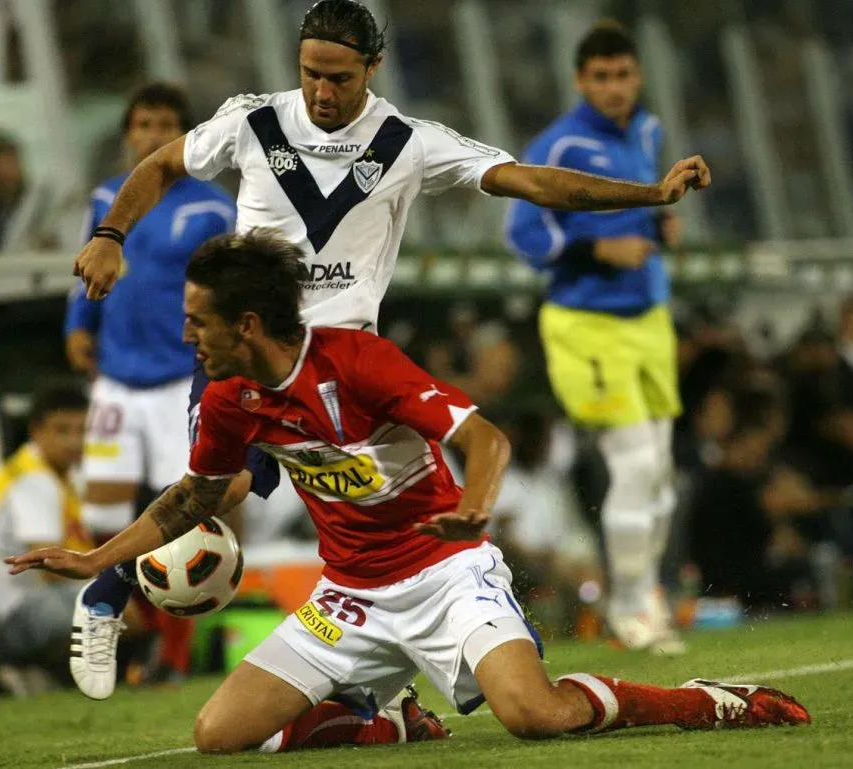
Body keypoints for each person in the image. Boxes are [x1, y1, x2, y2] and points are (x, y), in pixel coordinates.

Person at [66, 0, 711, 699]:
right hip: (253, 353)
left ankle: (393, 679)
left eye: (340, 77)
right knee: (228, 484)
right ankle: (104, 594)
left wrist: (649, 194)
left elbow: (530, 180)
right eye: (311, 73)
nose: (321, 91)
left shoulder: (407, 140)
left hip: (352, 370)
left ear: (372, 67)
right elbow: (161, 165)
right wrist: (110, 235)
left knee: (383, 518)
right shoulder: (252, 121)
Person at [8, 231, 809, 753]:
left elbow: (485, 440)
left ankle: (705, 701)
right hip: (349, 595)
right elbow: (193, 496)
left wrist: (476, 508)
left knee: (533, 714)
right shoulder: (228, 397)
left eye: (197, 322)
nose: (188, 336)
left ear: (247, 323)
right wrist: (97, 559)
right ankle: (385, 716)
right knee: (219, 734)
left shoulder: (358, 361)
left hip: (446, 572)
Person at [504, 21, 687, 654]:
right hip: (586, 323)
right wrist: (595, 246)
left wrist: (662, 229)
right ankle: (628, 606)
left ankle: (646, 598)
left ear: (638, 76)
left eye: (624, 74)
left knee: (659, 473)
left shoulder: (648, 129)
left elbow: (643, 208)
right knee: (634, 465)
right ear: (582, 80)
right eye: (601, 77)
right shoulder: (557, 146)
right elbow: (525, 234)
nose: (615, 87)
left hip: (649, 316)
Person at [64, 82, 239, 684]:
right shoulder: (108, 197)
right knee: (102, 515)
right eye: (142, 123)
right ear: (126, 132)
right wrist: (77, 321)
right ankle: (133, 624)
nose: (152, 134)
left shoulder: (212, 209)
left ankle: (176, 654)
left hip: (175, 382)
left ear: (186, 136)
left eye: (166, 123)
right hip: (115, 378)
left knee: (185, 514)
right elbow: (89, 260)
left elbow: (227, 288)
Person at [0, 382, 92, 695]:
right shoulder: (35, 481)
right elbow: (52, 567)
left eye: (82, 430)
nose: (74, 441)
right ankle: (37, 669)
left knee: (111, 595)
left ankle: (35, 672)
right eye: (62, 430)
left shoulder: (47, 472)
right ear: (36, 431)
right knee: (114, 602)